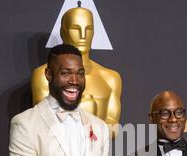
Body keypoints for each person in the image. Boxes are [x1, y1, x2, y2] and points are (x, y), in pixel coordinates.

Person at [31, 3, 122, 132]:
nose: (83, 35)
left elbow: (113, 125)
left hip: (97, 150)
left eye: (88, 29)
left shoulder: (111, 78)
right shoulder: (42, 75)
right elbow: (44, 123)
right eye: (75, 28)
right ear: (63, 32)